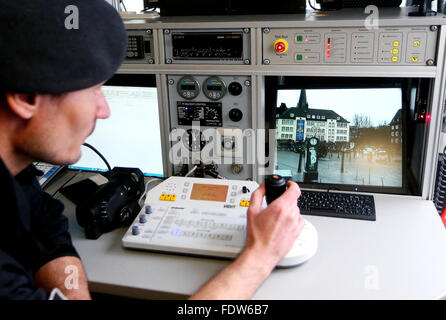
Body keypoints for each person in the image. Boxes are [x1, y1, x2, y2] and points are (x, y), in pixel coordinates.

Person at [0, 0, 304, 300]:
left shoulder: (16, 177)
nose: (104, 110)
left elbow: (44, 223)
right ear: (26, 97)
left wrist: (73, 294)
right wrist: (261, 255)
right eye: (93, 90)